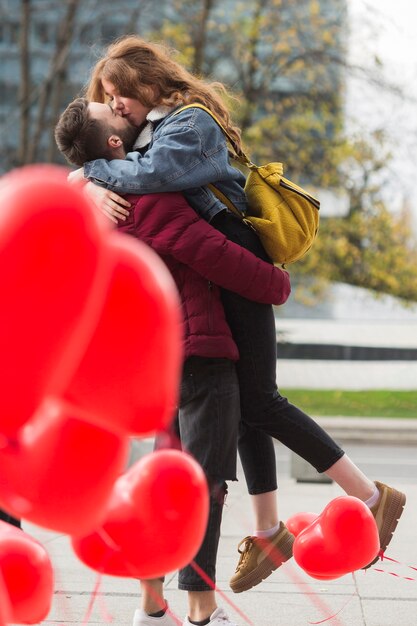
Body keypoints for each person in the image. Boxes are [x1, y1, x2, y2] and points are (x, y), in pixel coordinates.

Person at [62, 35, 405, 595]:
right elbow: (131, 168)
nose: (116, 104)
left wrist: (89, 176)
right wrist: (90, 176)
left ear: (147, 81)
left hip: (240, 258)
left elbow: (150, 176)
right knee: (247, 403)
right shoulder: (150, 134)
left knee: (260, 399)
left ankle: (368, 494)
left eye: (118, 93)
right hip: (226, 271)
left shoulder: (188, 123)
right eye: (108, 97)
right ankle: (270, 529)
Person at [55, 97, 291, 626]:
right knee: (202, 485)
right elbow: (217, 254)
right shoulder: (152, 201)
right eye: (110, 109)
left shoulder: (100, 206)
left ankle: (150, 605)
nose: (121, 106)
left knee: (164, 480)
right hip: (200, 355)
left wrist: (83, 182)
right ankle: (203, 611)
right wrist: (277, 283)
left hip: (154, 365)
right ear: (115, 142)